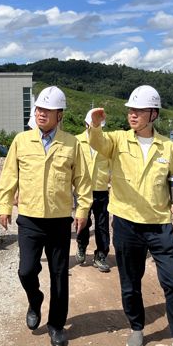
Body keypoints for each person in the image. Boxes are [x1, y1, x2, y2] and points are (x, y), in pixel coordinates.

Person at [87, 85, 173, 346]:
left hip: (160, 223)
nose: (132, 115)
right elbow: (97, 143)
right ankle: (136, 327)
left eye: (138, 110)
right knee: (130, 281)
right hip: (126, 223)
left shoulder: (168, 147)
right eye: (130, 110)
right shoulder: (117, 141)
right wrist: (95, 125)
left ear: (153, 113)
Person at [0, 86, 91, 346]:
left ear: (59, 115)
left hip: (59, 220)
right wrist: (4, 205)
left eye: (47, 110)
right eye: (39, 109)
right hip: (29, 218)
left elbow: (82, 181)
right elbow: (9, 176)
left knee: (60, 274)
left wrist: (82, 209)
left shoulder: (72, 144)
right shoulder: (21, 140)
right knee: (26, 270)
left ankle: (56, 325)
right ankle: (35, 299)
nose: (41, 114)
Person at [75, 109, 112, 272]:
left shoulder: (107, 142)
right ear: (86, 123)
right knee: (84, 221)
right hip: (83, 190)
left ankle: (101, 255)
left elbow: (112, 165)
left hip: (101, 189)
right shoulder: (77, 141)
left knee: (102, 225)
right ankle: (81, 246)